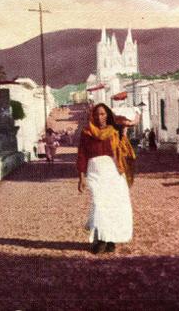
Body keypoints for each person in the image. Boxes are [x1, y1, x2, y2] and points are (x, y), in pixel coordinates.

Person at [76, 103, 136, 254]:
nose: (99, 117)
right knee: (99, 204)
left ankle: (110, 240)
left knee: (113, 206)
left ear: (108, 115)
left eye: (103, 114)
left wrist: (127, 121)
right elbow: (82, 155)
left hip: (113, 172)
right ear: (92, 116)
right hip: (95, 171)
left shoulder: (114, 131)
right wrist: (81, 177)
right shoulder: (86, 132)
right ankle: (100, 240)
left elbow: (133, 121)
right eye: (97, 114)